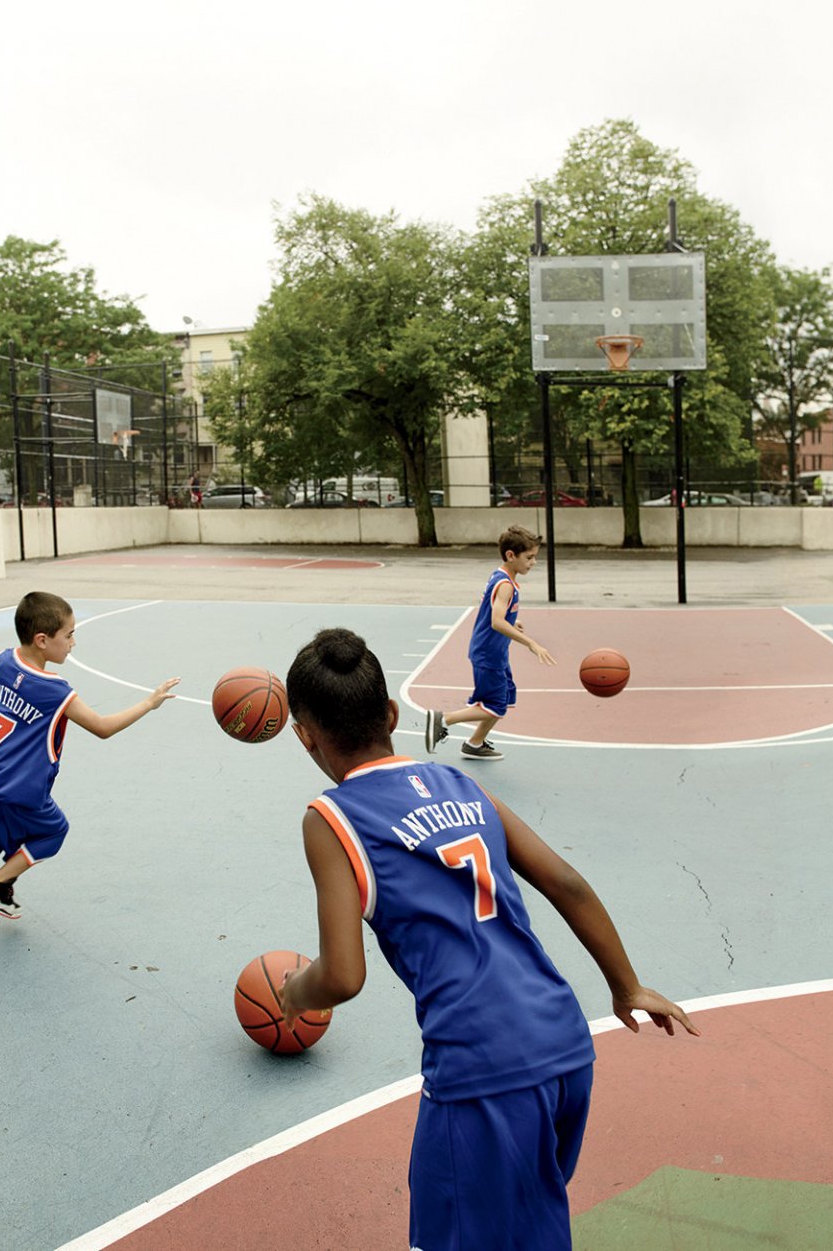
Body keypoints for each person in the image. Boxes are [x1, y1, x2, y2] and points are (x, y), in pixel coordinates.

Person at [278, 627, 696, 1251]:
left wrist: (292, 993)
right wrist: (626, 984)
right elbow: (568, 883)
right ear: (391, 714)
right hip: (563, 1043)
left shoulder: (331, 818)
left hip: (481, 1068)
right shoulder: (463, 785)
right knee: (530, 1221)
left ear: (304, 734)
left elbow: (342, 976)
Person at [0, 591, 179, 937]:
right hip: (14, 787)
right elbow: (102, 728)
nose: (73, 642)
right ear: (42, 640)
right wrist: (148, 704)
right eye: (68, 634)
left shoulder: (1, 659)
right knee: (54, 831)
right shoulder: (55, 690)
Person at [426, 526, 556, 761]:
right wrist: (531, 643)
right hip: (489, 653)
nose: (534, 562)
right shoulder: (506, 584)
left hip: (494, 651)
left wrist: (512, 622)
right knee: (495, 705)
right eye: (529, 557)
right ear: (510, 555)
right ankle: (443, 719)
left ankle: (474, 744)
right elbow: (496, 621)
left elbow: (493, 613)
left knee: (503, 698)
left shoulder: (501, 576)